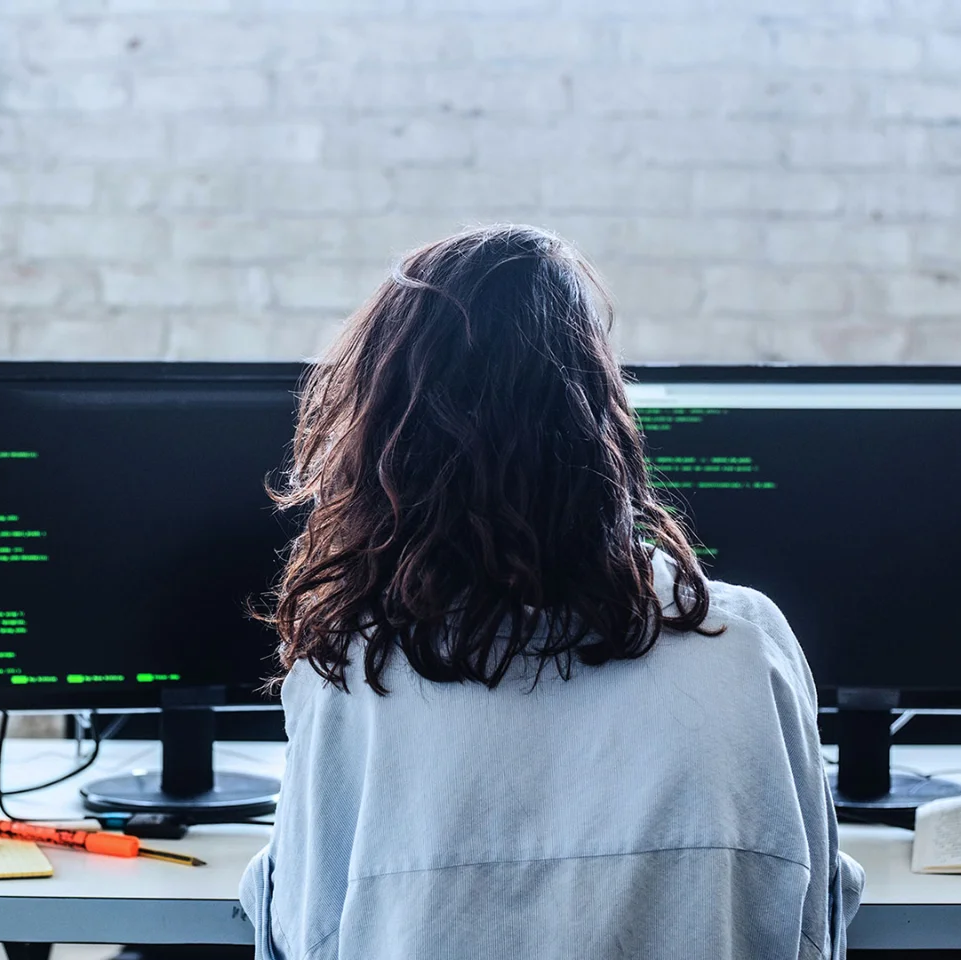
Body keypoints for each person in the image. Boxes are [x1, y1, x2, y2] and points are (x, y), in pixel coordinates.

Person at [241, 224, 863, 959]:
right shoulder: (744, 644)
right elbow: (816, 912)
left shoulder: (355, 671)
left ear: (386, 440)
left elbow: (302, 936)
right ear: (599, 418)